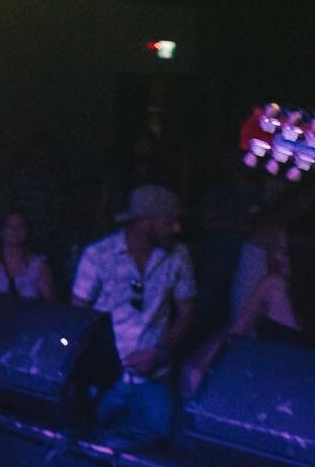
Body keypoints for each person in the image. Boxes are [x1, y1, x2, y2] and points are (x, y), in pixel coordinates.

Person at [71, 184, 195, 447]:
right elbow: (76, 316)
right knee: (94, 453)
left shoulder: (178, 255)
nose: (177, 228)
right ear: (144, 222)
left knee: (154, 457)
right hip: (106, 382)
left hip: (155, 381)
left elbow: (186, 312)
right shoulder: (98, 255)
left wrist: (160, 352)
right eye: (169, 222)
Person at [186, 218, 315, 392]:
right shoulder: (271, 287)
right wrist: (200, 367)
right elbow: (235, 334)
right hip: (267, 380)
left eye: (285, 252)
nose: (275, 256)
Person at [0, 209, 55, 300]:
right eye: (10, 226)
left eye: (20, 226)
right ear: (2, 230)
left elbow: (50, 303)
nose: (15, 230)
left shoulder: (39, 266)